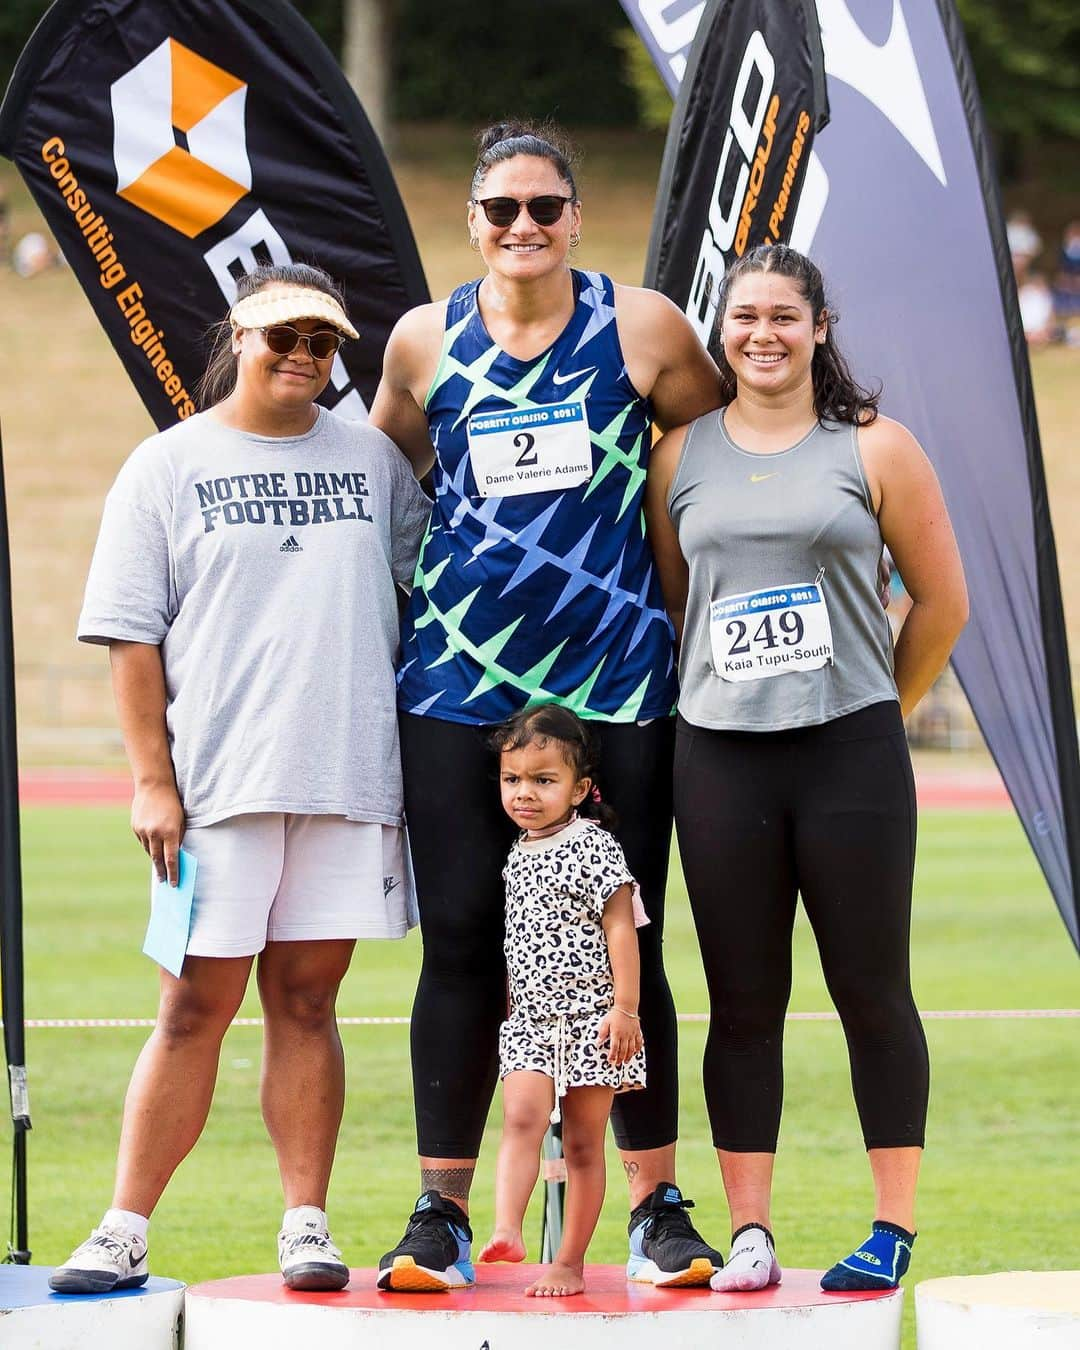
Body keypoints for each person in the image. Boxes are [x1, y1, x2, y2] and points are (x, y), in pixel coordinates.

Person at [370, 120, 724, 1291]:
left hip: (615, 679)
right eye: (501, 208)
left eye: (544, 207)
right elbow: (389, 473)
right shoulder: (423, 340)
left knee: (629, 942)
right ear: (470, 221)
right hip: (457, 680)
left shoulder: (644, 327)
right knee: (466, 936)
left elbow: (713, 450)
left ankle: (655, 1204)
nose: (523, 226)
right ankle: (441, 1213)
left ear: (576, 216)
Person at [52, 263, 431, 1295]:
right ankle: (124, 1225)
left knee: (309, 1003)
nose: (303, 356)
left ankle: (305, 1223)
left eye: (322, 342)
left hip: (349, 779)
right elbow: (132, 637)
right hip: (217, 790)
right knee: (191, 1008)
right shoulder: (167, 465)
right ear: (238, 335)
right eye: (283, 337)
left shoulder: (373, 462)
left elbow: (430, 589)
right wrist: (151, 781)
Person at [644, 244, 968, 1294]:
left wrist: (878, 710)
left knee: (871, 990)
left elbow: (941, 603)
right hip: (722, 761)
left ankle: (891, 1227)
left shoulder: (876, 448)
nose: (764, 335)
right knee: (742, 1001)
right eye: (745, 318)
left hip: (850, 756)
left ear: (819, 328)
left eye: (786, 316)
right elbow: (678, 600)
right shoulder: (679, 454)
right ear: (721, 331)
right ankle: (749, 1232)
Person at [478, 705, 645, 1297]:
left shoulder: (595, 847)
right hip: (529, 1021)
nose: (525, 793)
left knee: (582, 1142)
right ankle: (505, 1227)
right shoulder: (517, 853)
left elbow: (621, 930)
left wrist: (625, 1010)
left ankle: (569, 1261)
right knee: (520, 1117)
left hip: (593, 1020)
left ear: (579, 789)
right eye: (513, 779)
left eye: (543, 780)